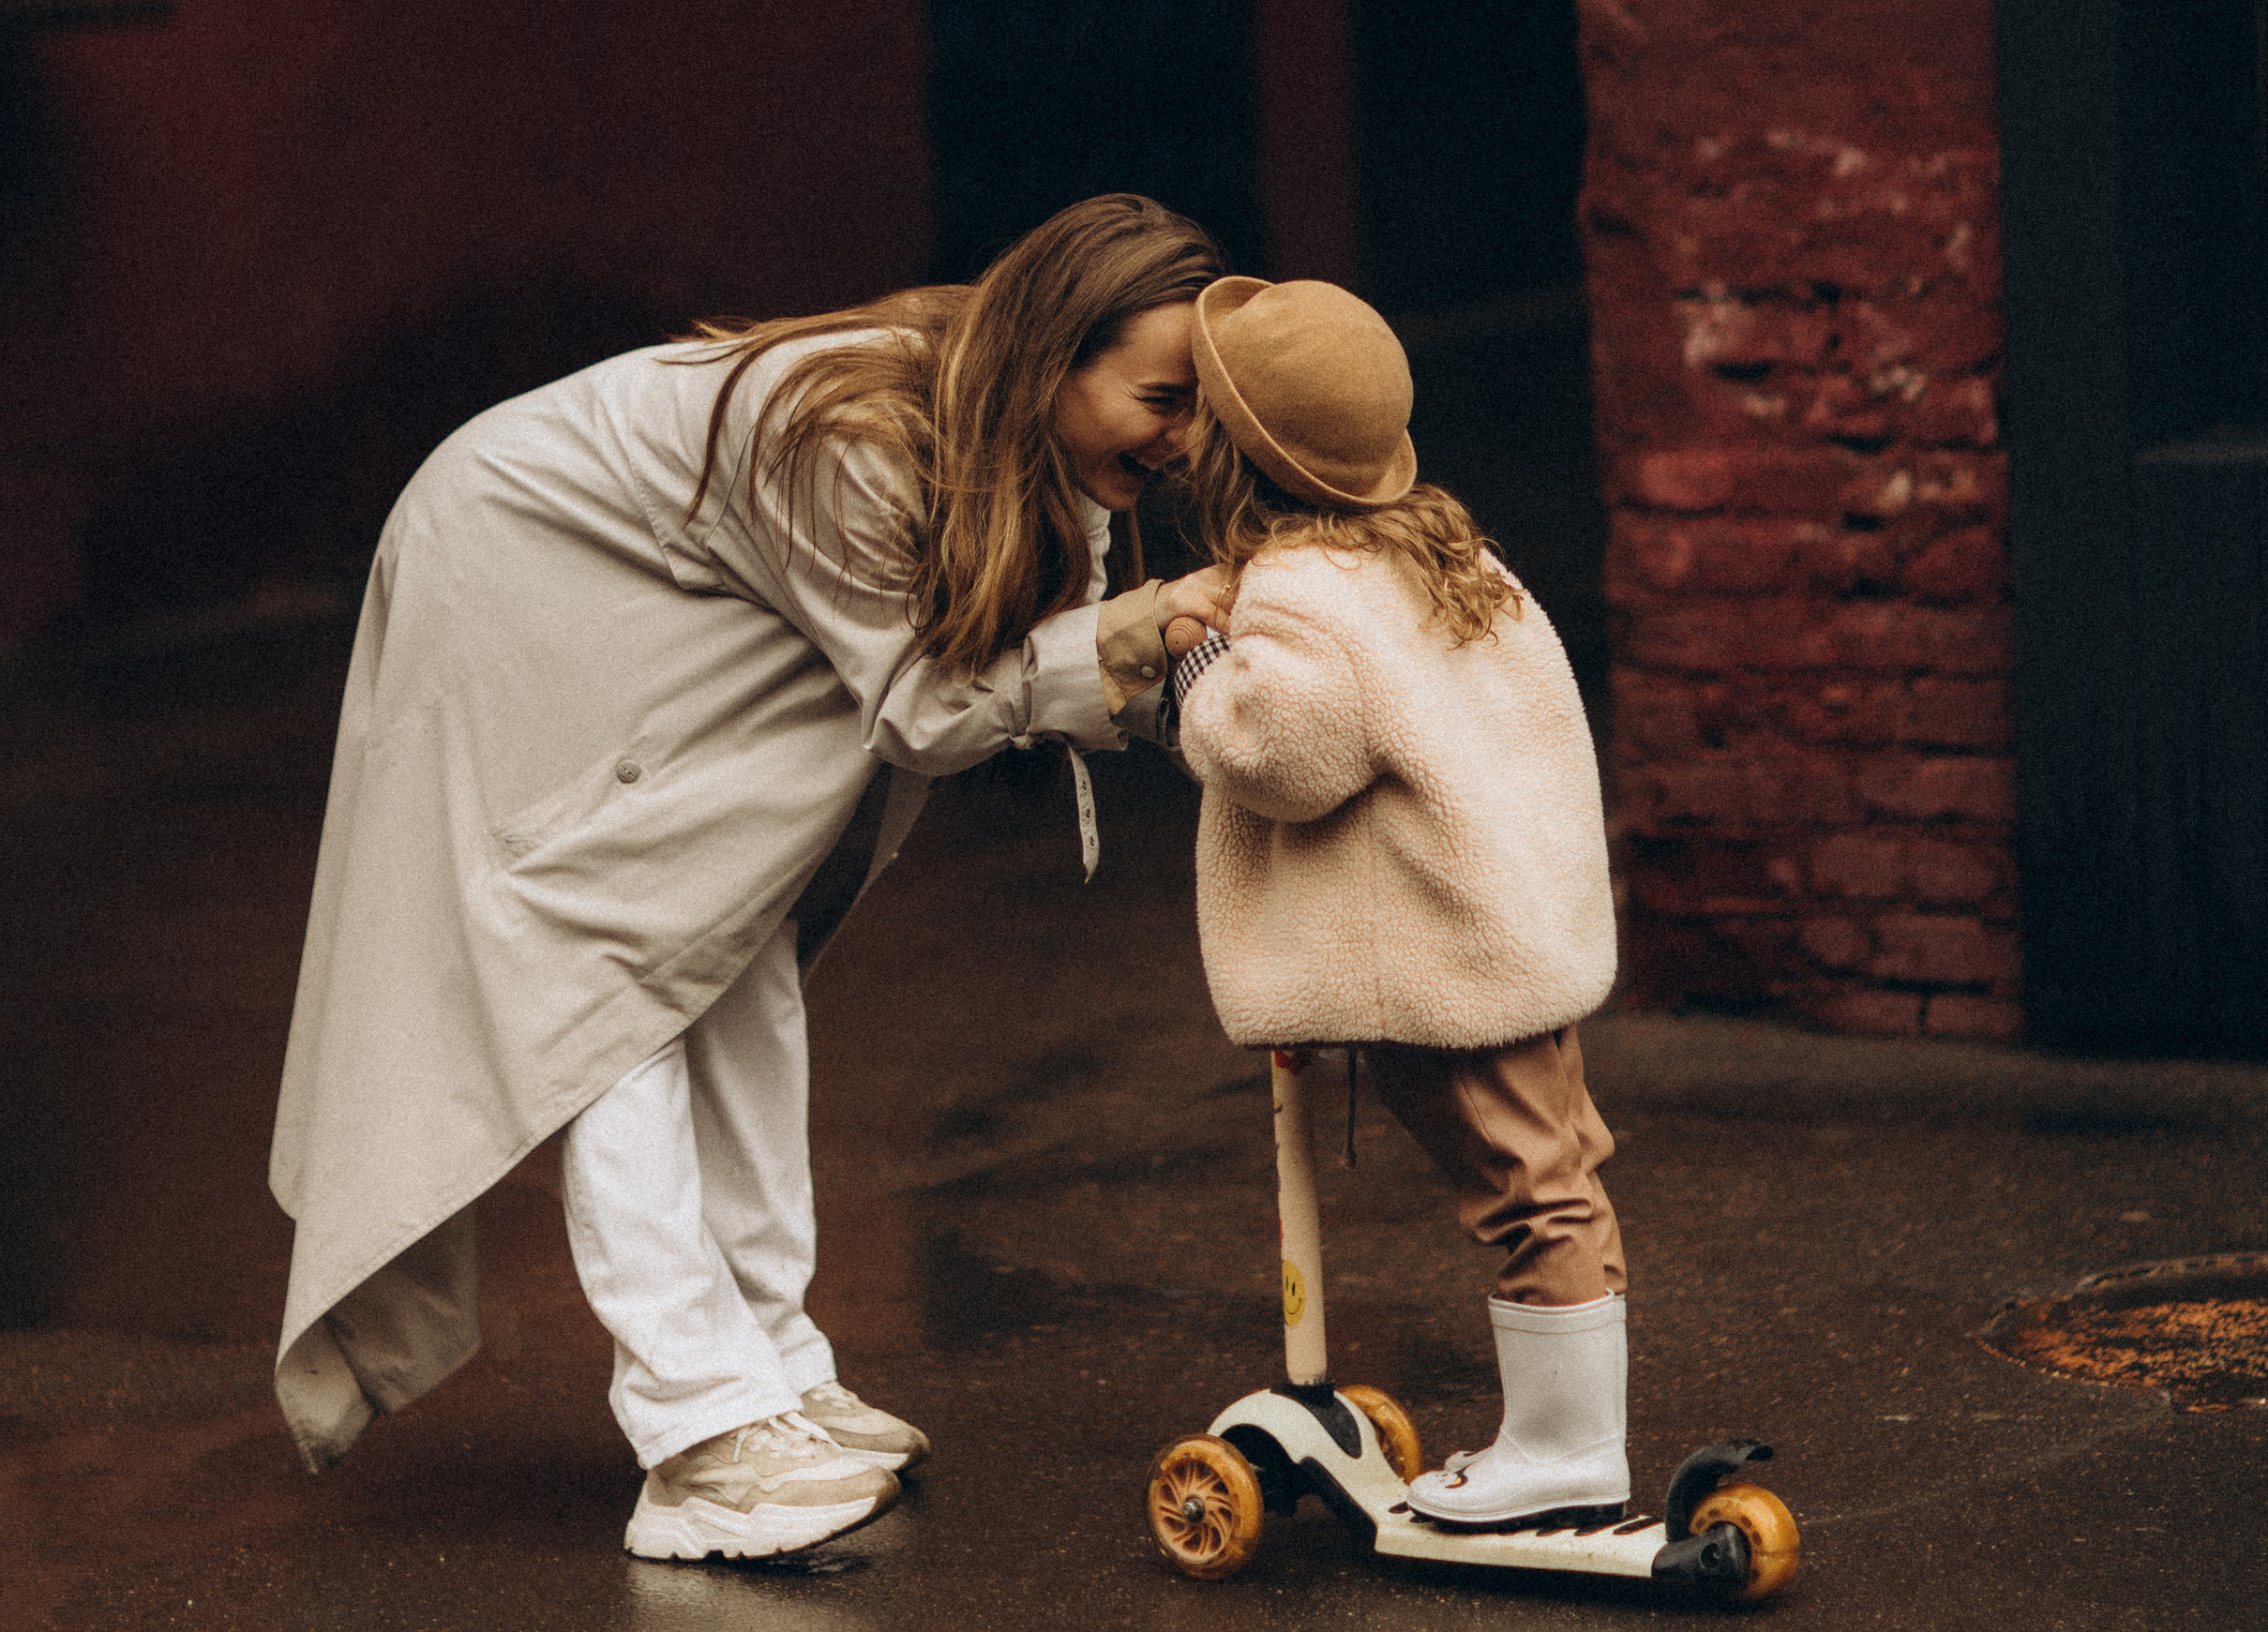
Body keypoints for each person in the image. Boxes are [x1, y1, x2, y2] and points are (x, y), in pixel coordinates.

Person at [271, 194, 1226, 1562]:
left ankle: (771, 1370)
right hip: (519, 574)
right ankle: (699, 1435)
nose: (1182, 438)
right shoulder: (856, 438)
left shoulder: (1007, 423)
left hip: (646, 580)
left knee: (733, 942)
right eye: (1162, 400)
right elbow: (931, 708)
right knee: (608, 975)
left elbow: (1033, 668)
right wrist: (1136, 636)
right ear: (1052, 355)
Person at [1165, 273, 1627, 1527]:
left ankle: (1566, 1452)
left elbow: (1282, 754)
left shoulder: (1301, 586)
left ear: (1236, 456)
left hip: (1449, 966)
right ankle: (1574, 1436)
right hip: (1514, 931)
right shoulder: (1443, 550)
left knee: (1528, 1191)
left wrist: (1200, 664)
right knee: (1560, 1173)